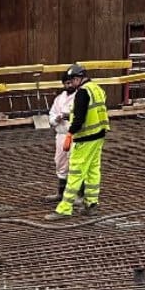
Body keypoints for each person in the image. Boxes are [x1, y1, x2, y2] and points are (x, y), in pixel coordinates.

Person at [46, 63, 107, 221]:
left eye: (72, 80)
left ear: (79, 78)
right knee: (93, 171)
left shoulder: (82, 93)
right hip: (98, 136)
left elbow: (79, 118)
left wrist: (70, 133)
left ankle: (65, 208)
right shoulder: (96, 89)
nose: (71, 84)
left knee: (75, 173)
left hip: (85, 138)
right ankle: (91, 204)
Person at [44, 83, 76, 204]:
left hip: (75, 134)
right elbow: (52, 115)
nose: (69, 85)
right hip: (62, 134)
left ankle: (78, 194)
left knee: (76, 164)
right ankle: (61, 193)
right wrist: (56, 119)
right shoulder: (59, 99)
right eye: (67, 83)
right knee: (60, 162)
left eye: (71, 82)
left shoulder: (80, 96)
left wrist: (69, 116)